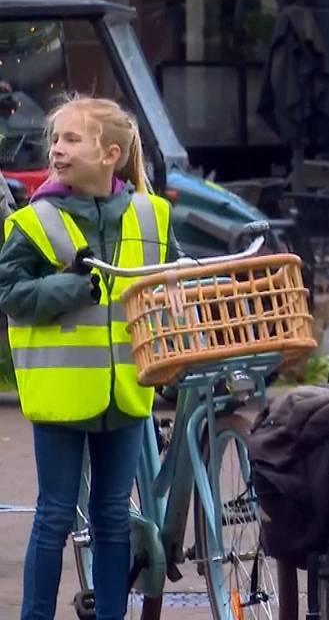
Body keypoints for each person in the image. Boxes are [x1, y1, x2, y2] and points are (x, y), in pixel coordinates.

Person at [0, 96, 177, 620]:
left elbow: (169, 282)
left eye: (71, 139)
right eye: (55, 138)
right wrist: (75, 288)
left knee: (112, 517)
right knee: (53, 516)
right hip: (59, 393)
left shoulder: (153, 214)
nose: (56, 148)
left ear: (112, 154)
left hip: (126, 390)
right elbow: (11, 293)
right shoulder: (35, 221)